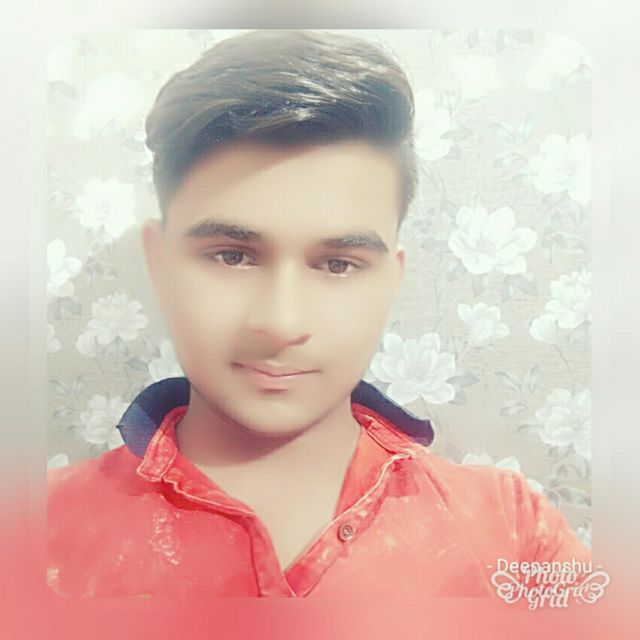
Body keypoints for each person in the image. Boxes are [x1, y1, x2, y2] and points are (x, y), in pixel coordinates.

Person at [47, 29, 590, 598]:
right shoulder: (36, 533)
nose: (282, 324)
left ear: (391, 282)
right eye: (232, 256)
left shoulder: (512, 532)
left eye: (337, 265)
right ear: (158, 265)